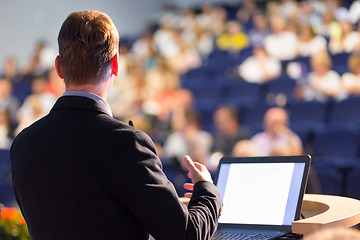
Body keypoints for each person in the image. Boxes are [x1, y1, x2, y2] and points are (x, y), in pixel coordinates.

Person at [10, 11, 222, 240]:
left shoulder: (23, 143)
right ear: (115, 65)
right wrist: (207, 190)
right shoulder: (126, 143)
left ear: (59, 67)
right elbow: (187, 235)